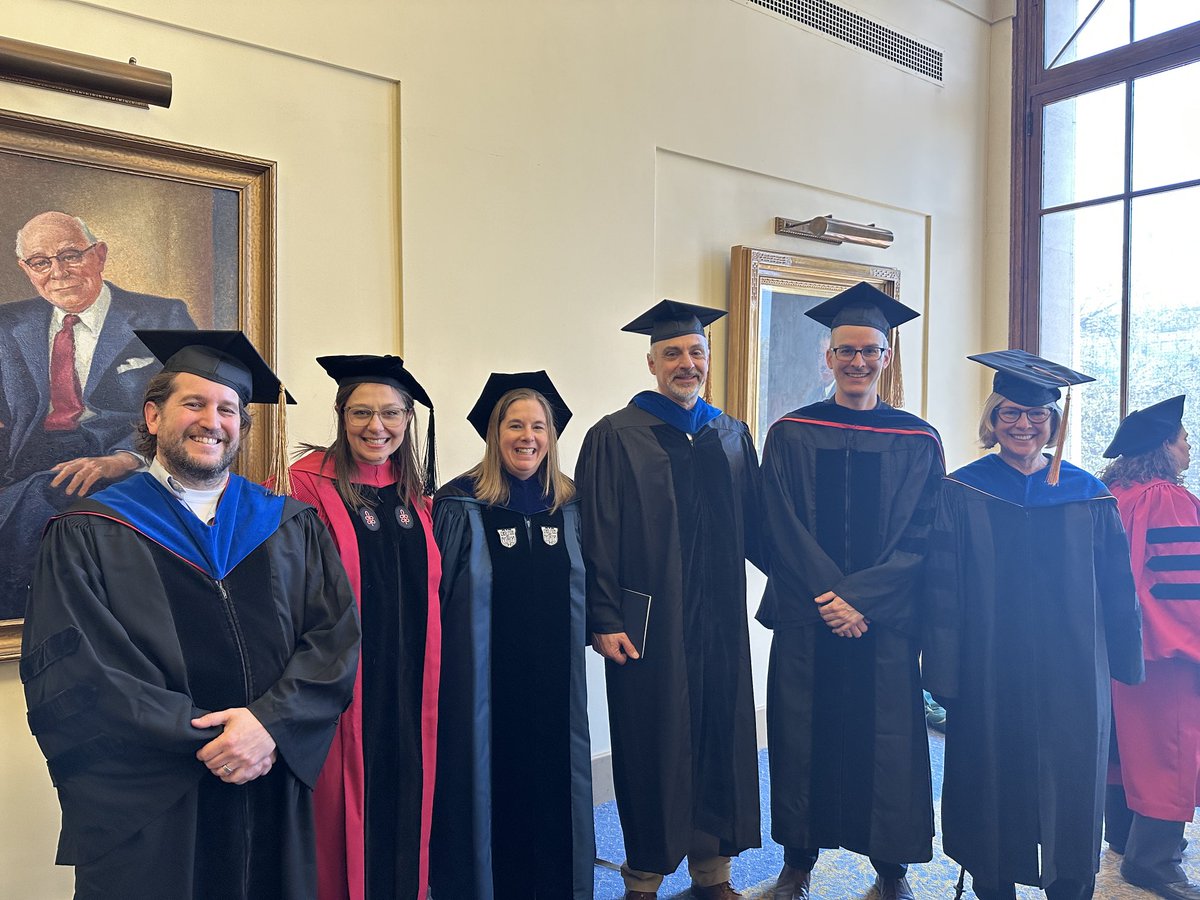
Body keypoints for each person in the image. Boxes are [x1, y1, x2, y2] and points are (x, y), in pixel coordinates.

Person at [20, 330, 361, 900]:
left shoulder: (289, 525)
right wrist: (209, 738)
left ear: (242, 428)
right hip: (155, 798)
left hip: (266, 778)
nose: (212, 421)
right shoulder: (88, 529)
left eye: (228, 409)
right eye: (193, 403)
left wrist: (266, 726)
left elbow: (333, 641)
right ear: (153, 417)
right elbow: (80, 671)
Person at [922, 349, 1144, 900]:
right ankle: (992, 883)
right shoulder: (962, 490)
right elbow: (941, 588)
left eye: (1036, 415)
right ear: (993, 421)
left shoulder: (1089, 494)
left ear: (1054, 423)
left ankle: (1069, 885)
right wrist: (944, 671)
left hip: (1073, 670)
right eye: (1010, 414)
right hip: (989, 664)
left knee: (1072, 778)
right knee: (993, 775)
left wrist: (1124, 662)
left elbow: (1118, 585)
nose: (1023, 425)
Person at [757, 282, 943, 900]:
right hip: (813, 622)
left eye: (869, 350)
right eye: (846, 351)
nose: (857, 361)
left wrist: (861, 598)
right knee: (800, 734)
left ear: (886, 356)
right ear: (827, 357)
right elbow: (774, 524)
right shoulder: (790, 433)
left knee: (889, 741)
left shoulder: (918, 440)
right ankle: (797, 860)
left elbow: (926, 533)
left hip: (882, 624)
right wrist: (828, 598)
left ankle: (890, 869)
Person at [577, 300, 763, 900]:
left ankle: (714, 872)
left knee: (720, 734)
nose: (687, 363)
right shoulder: (614, 435)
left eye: (696, 352)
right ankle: (644, 876)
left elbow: (761, 528)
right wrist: (602, 616)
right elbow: (595, 533)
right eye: (674, 354)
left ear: (708, 360)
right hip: (647, 624)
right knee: (649, 741)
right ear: (652, 362)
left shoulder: (731, 434)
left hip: (718, 622)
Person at [429, 371, 593, 900]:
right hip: (481, 687)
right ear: (494, 434)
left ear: (551, 436)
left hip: (554, 687)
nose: (528, 436)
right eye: (515, 425)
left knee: (555, 782)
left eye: (538, 426)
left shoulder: (571, 505)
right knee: (484, 787)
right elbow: (437, 596)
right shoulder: (459, 504)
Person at [287, 355, 442, 900]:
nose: (377, 427)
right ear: (339, 413)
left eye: (391, 414)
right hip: (344, 687)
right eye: (361, 413)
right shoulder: (303, 485)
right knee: (342, 815)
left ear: (407, 418)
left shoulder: (415, 494)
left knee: (408, 799)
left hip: (411, 686)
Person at [0, 211, 195, 619]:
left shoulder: (161, 316)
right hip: (24, 460)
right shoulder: (8, 323)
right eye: (41, 262)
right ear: (26, 269)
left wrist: (124, 457)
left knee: (47, 500)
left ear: (99, 255)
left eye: (71, 254)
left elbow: (190, 408)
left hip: (120, 458)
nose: (58, 272)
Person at [1100, 395, 1200, 900]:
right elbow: (1184, 585)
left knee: (1124, 740)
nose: (1189, 446)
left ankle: (1121, 835)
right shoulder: (1167, 498)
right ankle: (1153, 861)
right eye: (1184, 438)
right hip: (1168, 646)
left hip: (1115, 646)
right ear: (1165, 445)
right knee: (1170, 745)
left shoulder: (1109, 492)